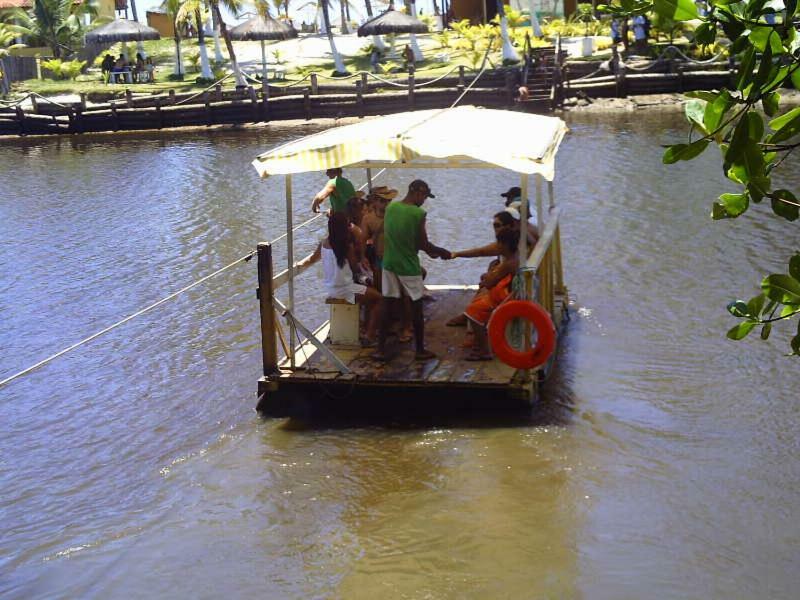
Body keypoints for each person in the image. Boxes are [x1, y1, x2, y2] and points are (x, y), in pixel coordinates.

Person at [373, 180, 450, 362]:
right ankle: (420, 350)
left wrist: (430, 250)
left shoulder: (391, 208)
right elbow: (422, 243)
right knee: (416, 306)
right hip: (408, 265)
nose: (424, 201)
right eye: (424, 196)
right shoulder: (418, 213)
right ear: (417, 193)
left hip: (389, 263)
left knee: (387, 302)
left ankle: (380, 350)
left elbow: (395, 234)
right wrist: (440, 251)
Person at [296, 212, 382, 345]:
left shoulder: (323, 243)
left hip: (331, 289)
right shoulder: (346, 247)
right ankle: (369, 335)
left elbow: (312, 259)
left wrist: (299, 264)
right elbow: (356, 270)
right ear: (344, 228)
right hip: (347, 290)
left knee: (368, 292)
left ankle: (364, 329)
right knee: (378, 299)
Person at [463, 228, 520, 360]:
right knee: (479, 300)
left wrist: (488, 274)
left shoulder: (509, 263)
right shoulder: (516, 256)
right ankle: (481, 342)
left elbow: (489, 283)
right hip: (511, 293)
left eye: (499, 243)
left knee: (472, 312)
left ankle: (484, 350)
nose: (497, 246)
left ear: (505, 244)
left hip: (507, 299)